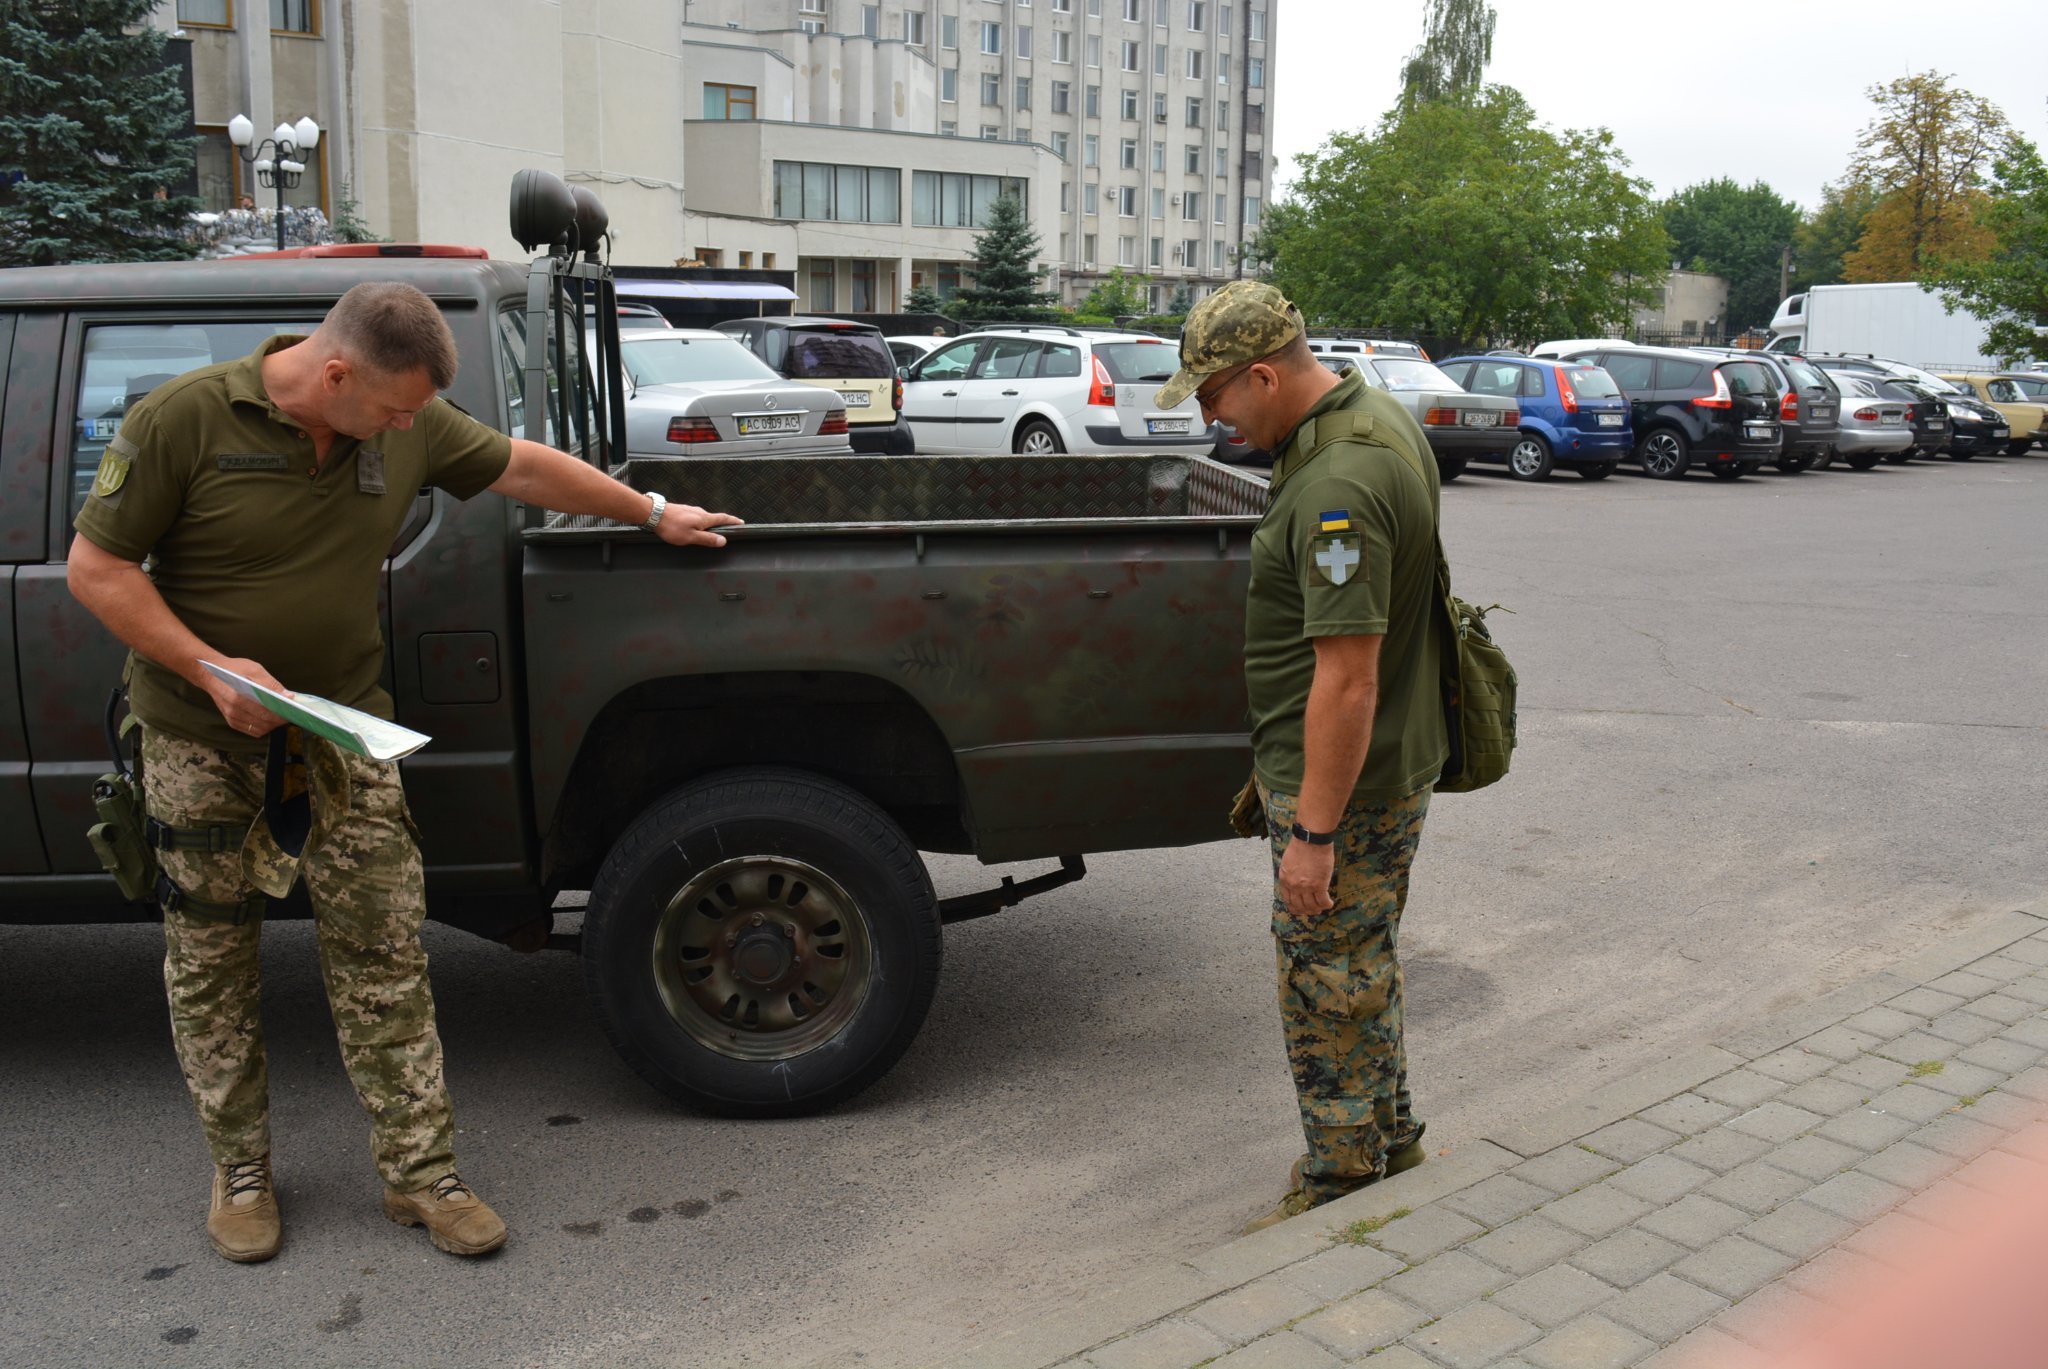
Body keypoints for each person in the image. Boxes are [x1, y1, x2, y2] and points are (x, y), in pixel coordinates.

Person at [67, 281, 741, 1265]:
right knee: (212, 961)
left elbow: (519, 467)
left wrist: (649, 510)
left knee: (384, 954)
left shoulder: (403, 424)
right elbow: (97, 569)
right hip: (198, 739)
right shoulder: (182, 419)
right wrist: (207, 670)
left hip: (338, 736)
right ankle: (242, 1168)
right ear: (335, 372)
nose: (406, 427)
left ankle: (420, 1172)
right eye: (392, 407)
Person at [1154, 282, 1449, 1235]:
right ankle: (1390, 1137)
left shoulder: (1334, 486)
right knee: (1360, 961)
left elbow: (1349, 680)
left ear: (1266, 374)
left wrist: (1314, 832)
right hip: (1377, 769)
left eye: (1214, 397)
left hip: (1348, 786)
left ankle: (1340, 1180)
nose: (1209, 418)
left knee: (1323, 978)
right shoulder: (1369, 417)